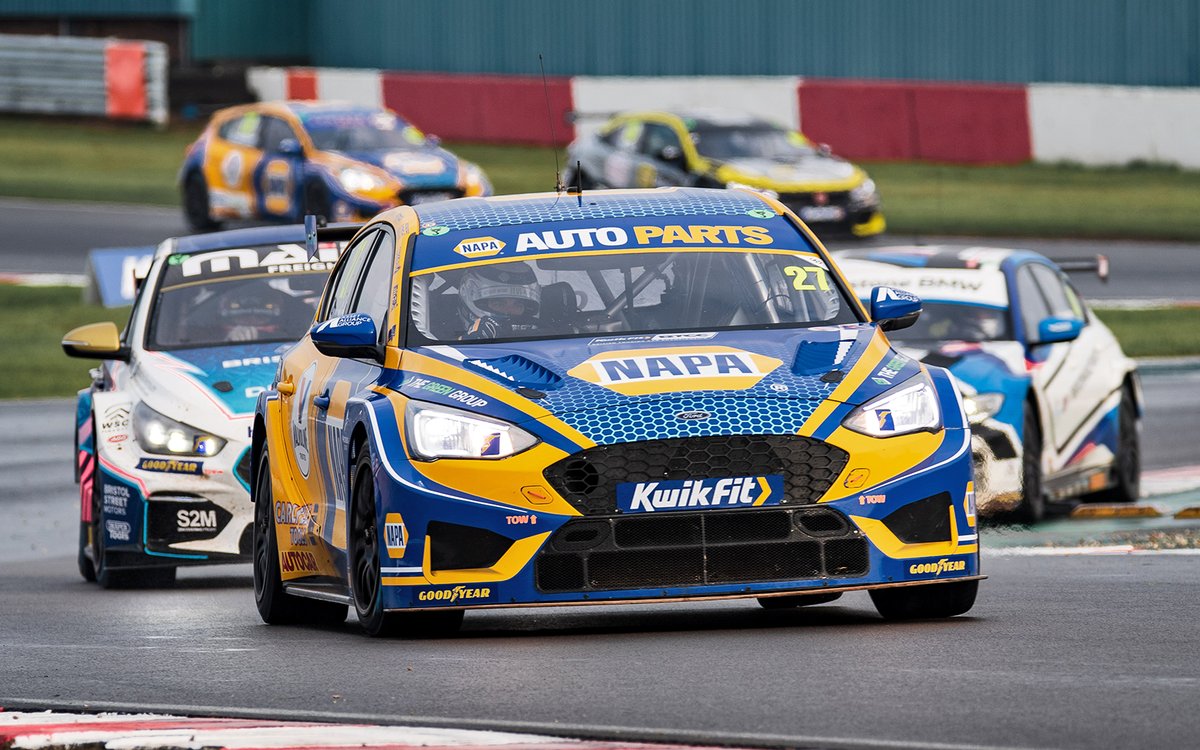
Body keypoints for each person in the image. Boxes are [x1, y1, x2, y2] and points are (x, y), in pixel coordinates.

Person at [458, 263, 541, 339]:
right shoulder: (447, 342)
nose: (509, 311)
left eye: (517, 305)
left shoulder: (548, 335)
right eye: (499, 304)